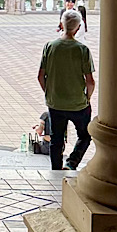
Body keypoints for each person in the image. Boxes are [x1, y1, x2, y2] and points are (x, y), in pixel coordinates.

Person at [37, 10, 95, 171]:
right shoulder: (82, 50)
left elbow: (40, 76)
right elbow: (90, 81)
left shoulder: (50, 47)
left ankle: (56, 170)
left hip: (55, 102)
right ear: (78, 28)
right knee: (85, 135)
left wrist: (49, 93)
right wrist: (87, 98)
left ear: (61, 24)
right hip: (78, 103)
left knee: (56, 138)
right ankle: (71, 163)